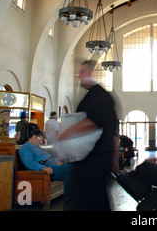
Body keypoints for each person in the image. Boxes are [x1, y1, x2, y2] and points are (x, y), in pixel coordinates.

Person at [58, 60, 119, 211]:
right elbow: (114, 132)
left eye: (82, 72)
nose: (79, 76)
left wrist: (66, 133)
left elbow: (93, 122)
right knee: (94, 196)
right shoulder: (96, 96)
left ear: (91, 73)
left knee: (89, 196)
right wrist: (115, 157)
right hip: (94, 157)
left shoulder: (98, 96)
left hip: (94, 158)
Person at [18, 129, 71, 200]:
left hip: (52, 164)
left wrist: (55, 161)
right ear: (34, 136)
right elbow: (29, 163)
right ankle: (69, 199)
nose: (40, 142)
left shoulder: (37, 147)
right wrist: (43, 167)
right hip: (46, 168)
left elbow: (47, 157)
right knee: (69, 170)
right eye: (40, 139)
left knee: (74, 167)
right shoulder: (25, 148)